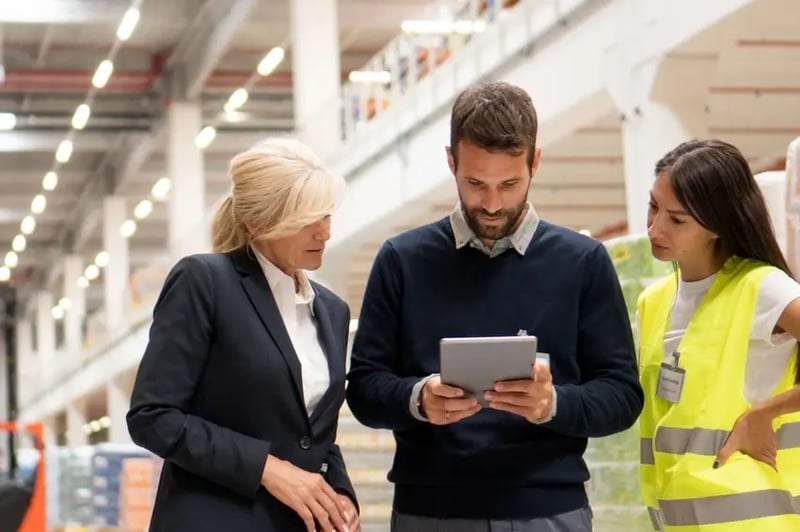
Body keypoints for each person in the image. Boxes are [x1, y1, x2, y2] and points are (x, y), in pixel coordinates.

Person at [345, 81, 644, 531]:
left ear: (535, 162)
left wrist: (551, 404)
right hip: (430, 512)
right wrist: (418, 399)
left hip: (548, 512)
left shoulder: (583, 262)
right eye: (475, 183)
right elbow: (364, 388)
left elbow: (622, 396)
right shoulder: (401, 260)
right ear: (451, 162)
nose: (491, 203)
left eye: (509, 184)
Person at [127, 138, 360, 532]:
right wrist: (267, 468)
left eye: (327, 216)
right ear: (259, 223)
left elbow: (315, 434)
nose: (325, 232)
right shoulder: (204, 282)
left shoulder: (332, 310)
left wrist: (340, 495)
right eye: (307, 220)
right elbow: (153, 417)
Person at [638, 139, 800, 531]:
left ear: (716, 225)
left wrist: (765, 412)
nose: (655, 227)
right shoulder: (653, 301)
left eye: (677, 220)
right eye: (654, 206)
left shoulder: (761, 288)